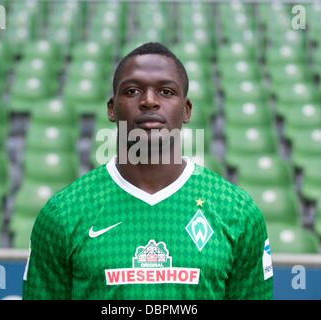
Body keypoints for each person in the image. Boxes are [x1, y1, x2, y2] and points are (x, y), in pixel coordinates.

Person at [22, 42, 273, 300]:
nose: (149, 101)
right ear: (112, 108)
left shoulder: (236, 211)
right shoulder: (64, 212)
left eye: (165, 91)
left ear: (186, 110)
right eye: (132, 91)